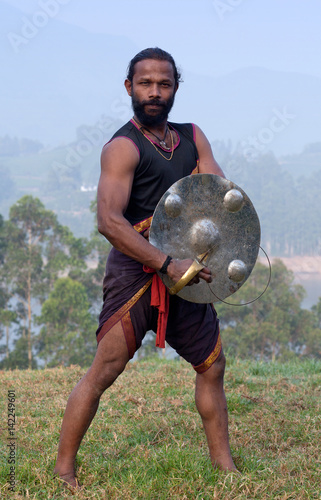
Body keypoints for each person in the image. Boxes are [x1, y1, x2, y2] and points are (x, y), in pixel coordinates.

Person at [54, 47, 237, 488]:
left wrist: (220, 237)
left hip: (187, 269)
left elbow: (216, 196)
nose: (154, 92)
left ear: (175, 87)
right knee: (105, 370)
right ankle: (63, 471)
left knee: (211, 366)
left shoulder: (193, 137)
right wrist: (164, 263)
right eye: (145, 83)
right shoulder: (122, 147)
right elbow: (109, 221)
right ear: (129, 87)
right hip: (136, 272)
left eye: (164, 83)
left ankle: (226, 469)